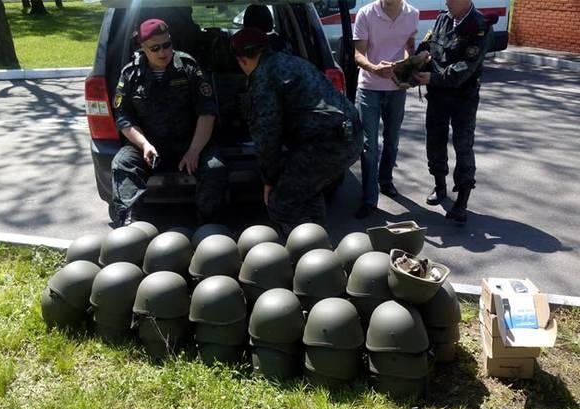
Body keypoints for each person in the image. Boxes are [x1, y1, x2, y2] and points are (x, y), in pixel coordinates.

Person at [230, 28, 363, 236]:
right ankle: (319, 242)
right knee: (308, 190)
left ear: (242, 60)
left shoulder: (263, 79)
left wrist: (269, 180)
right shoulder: (292, 61)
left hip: (325, 145)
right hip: (350, 136)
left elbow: (267, 136)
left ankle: (303, 255)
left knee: (281, 201)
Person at [111, 18, 228, 227]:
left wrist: (194, 151)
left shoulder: (188, 67)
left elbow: (207, 112)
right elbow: (124, 118)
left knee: (215, 168)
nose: (162, 52)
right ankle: (129, 225)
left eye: (167, 45)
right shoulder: (130, 75)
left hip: (189, 141)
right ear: (142, 47)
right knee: (122, 164)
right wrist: (144, 144)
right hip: (150, 144)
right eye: (155, 48)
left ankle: (210, 224)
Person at [414, 0, 493, 223]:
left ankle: (462, 200)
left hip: (463, 99)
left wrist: (434, 77)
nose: (447, 1)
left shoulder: (481, 26)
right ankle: (440, 186)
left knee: (463, 145)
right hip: (438, 96)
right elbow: (428, 45)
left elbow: (466, 68)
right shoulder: (442, 18)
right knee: (435, 141)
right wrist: (419, 58)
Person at [352, 0, 419, 219]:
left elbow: (409, 46)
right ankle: (369, 199)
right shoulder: (366, 13)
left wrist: (407, 67)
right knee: (369, 145)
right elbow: (358, 54)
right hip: (369, 87)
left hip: (397, 89)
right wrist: (374, 68)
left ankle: (386, 181)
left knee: (392, 139)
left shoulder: (412, 14)